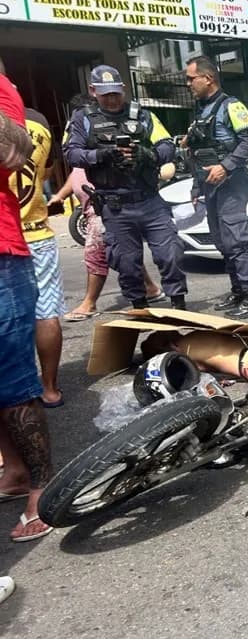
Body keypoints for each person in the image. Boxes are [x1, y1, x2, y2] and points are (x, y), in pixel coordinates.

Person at [64, 66, 188, 311]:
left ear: (123, 90)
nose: (111, 100)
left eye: (115, 94)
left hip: (149, 201)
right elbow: (71, 153)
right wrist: (103, 155)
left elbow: (167, 146)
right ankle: (140, 307)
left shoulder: (142, 116)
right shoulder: (84, 119)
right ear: (93, 91)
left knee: (170, 254)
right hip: (115, 206)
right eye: (105, 94)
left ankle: (179, 304)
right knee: (127, 263)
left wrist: (147, 154)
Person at [0, 59, 54, 542]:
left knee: (14, 381)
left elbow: (13, 150)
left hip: (2, 257)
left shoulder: (3, 91)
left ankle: (44, 488)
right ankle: (15, 472)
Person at [184, 56, 248, 319]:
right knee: (222, 241)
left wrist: (227, 166)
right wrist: (197, 187)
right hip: (211, 186)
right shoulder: (201, 111)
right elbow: (199, 153)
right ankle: (238, 292)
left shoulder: (232, 106)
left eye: (190, 78)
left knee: (236, 242)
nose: (188, 84)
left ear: (207, 78)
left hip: (231, 184)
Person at [9, 107, 66, 407]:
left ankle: (15, 394)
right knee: (46, 312)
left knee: (9, 315)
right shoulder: (39, 121)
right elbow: (45, 170)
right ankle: (50, 388)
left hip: (7, 236)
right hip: (37, 233)